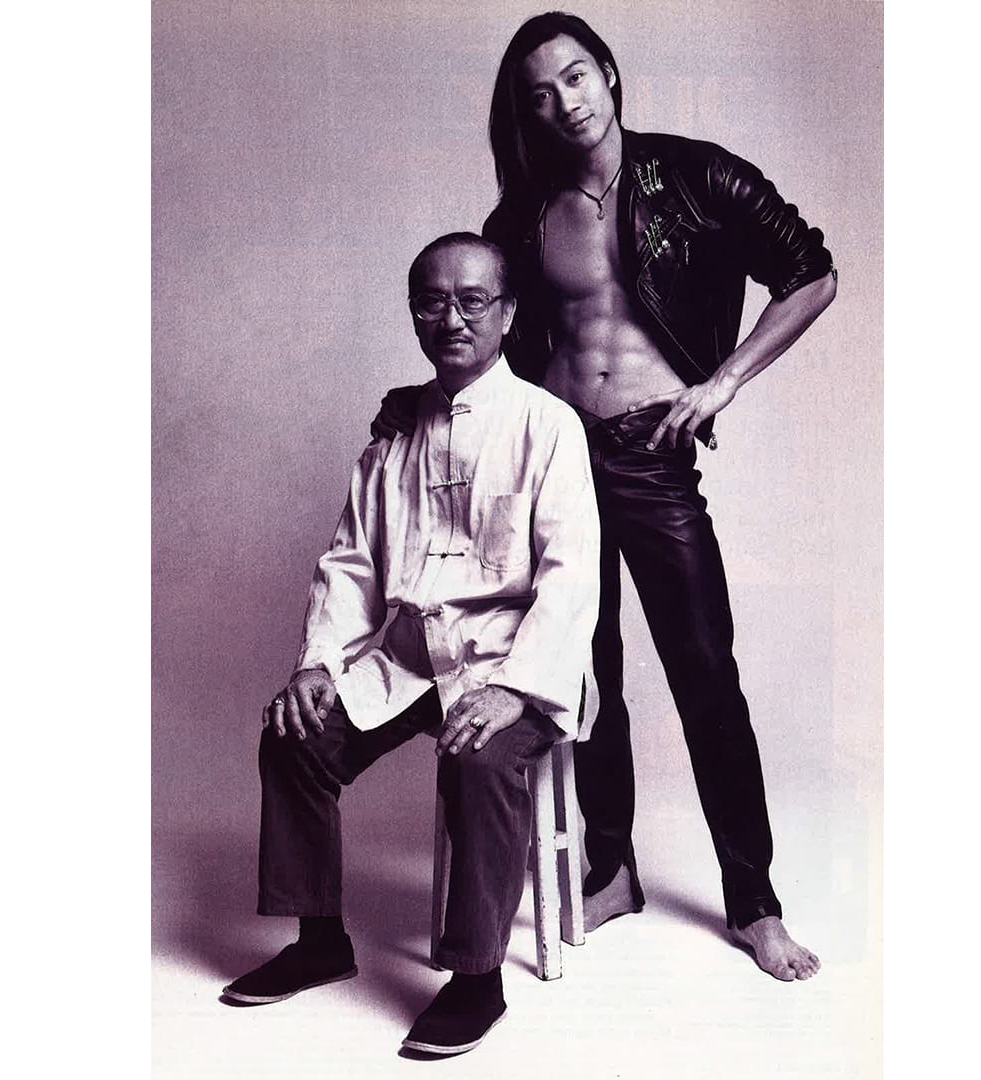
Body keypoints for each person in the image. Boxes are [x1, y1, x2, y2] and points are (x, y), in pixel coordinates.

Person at [374, 12, 836, 982]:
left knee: (706, 675)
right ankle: (613, 867)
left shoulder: (697, 177)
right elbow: (484, 339)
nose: (564, 103)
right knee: (589, 677)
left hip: (650, 456)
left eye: (576, 77)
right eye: (539, 94)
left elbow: (811, 275)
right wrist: (421, 400)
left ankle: (755, 905)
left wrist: (722, 382)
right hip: (557, 460)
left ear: (611, 75)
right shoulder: (521, 218)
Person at [224, 233, 600, 1057]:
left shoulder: (548, 426)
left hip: (513, 662)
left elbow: (572, 577)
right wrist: (317, 664)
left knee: (479, 757)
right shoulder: (394, 436)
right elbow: (352, 563)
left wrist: (515, 689)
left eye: (472, 301)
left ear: (508, 313)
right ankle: (320, 942)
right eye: (432, 302)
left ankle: (477, 980)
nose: (451, 319)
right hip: (413, 657)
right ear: (413, 315)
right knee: (294, 736)